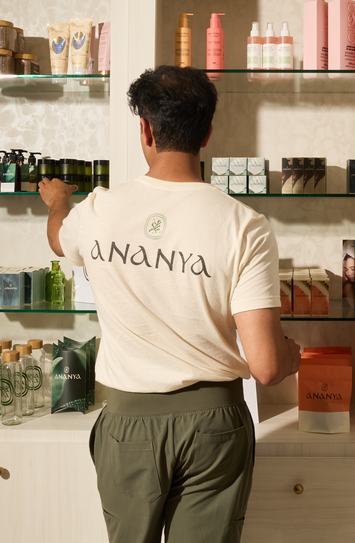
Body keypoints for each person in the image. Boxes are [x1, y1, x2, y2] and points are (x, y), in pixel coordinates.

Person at [39, 65, 302, 543]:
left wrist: (58, 199)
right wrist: (292, 354)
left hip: (127, 423)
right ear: (207, 132)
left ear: (145, 128)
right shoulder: (244, 225)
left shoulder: (96, 212)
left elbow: (59, 239)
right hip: (215, 428)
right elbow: (266, 366)